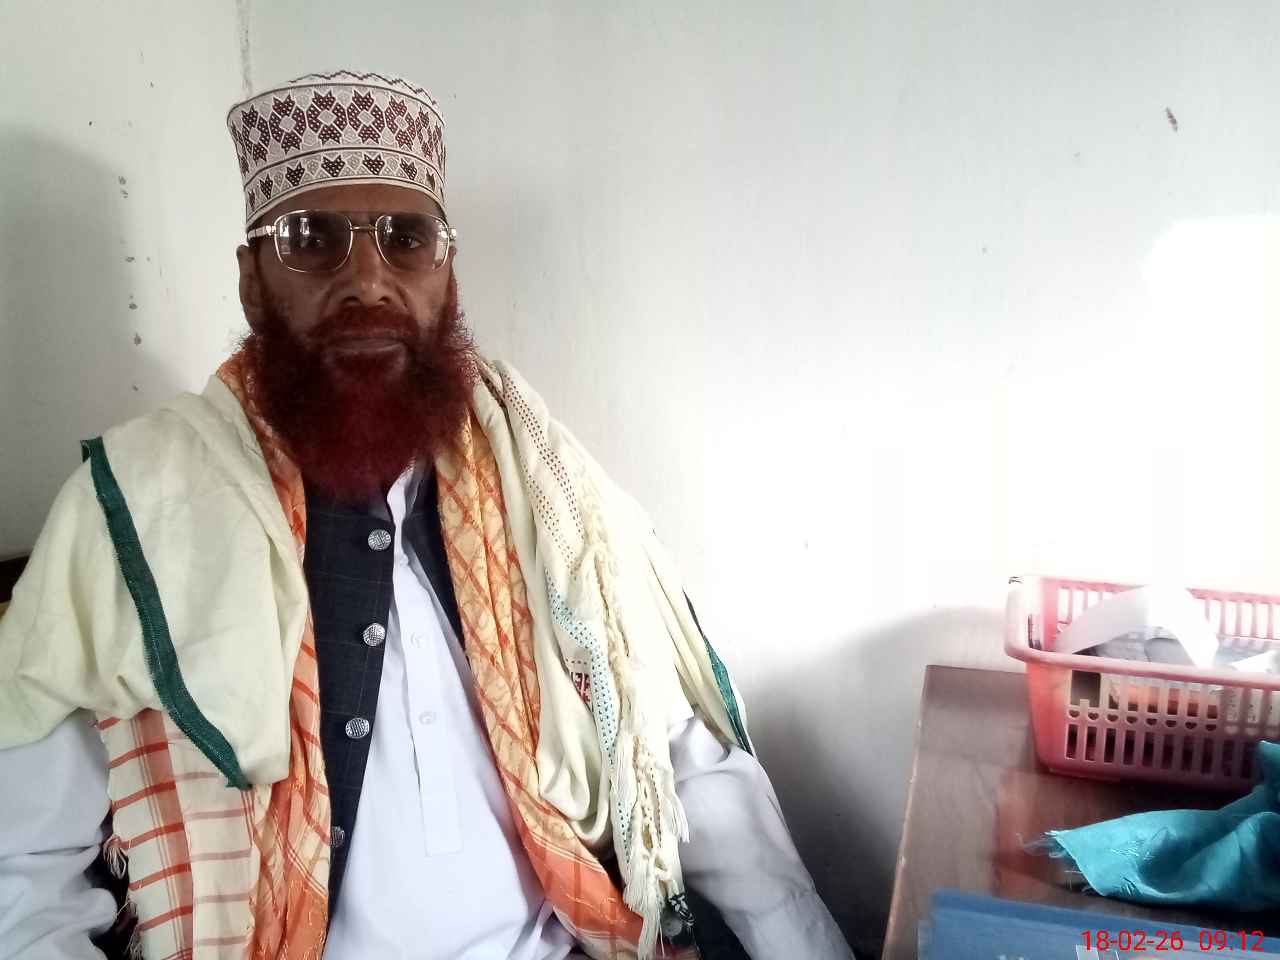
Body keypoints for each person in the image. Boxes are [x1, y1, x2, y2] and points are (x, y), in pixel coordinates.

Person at [0, 71, 852, 960]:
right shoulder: (139, 509)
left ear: (447, 278)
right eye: (311, 240)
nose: (368, 281)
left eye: (407, 239)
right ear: (252, 282)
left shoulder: (544, 486)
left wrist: (808, 944)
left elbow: (671, 747)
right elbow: (22, 872)